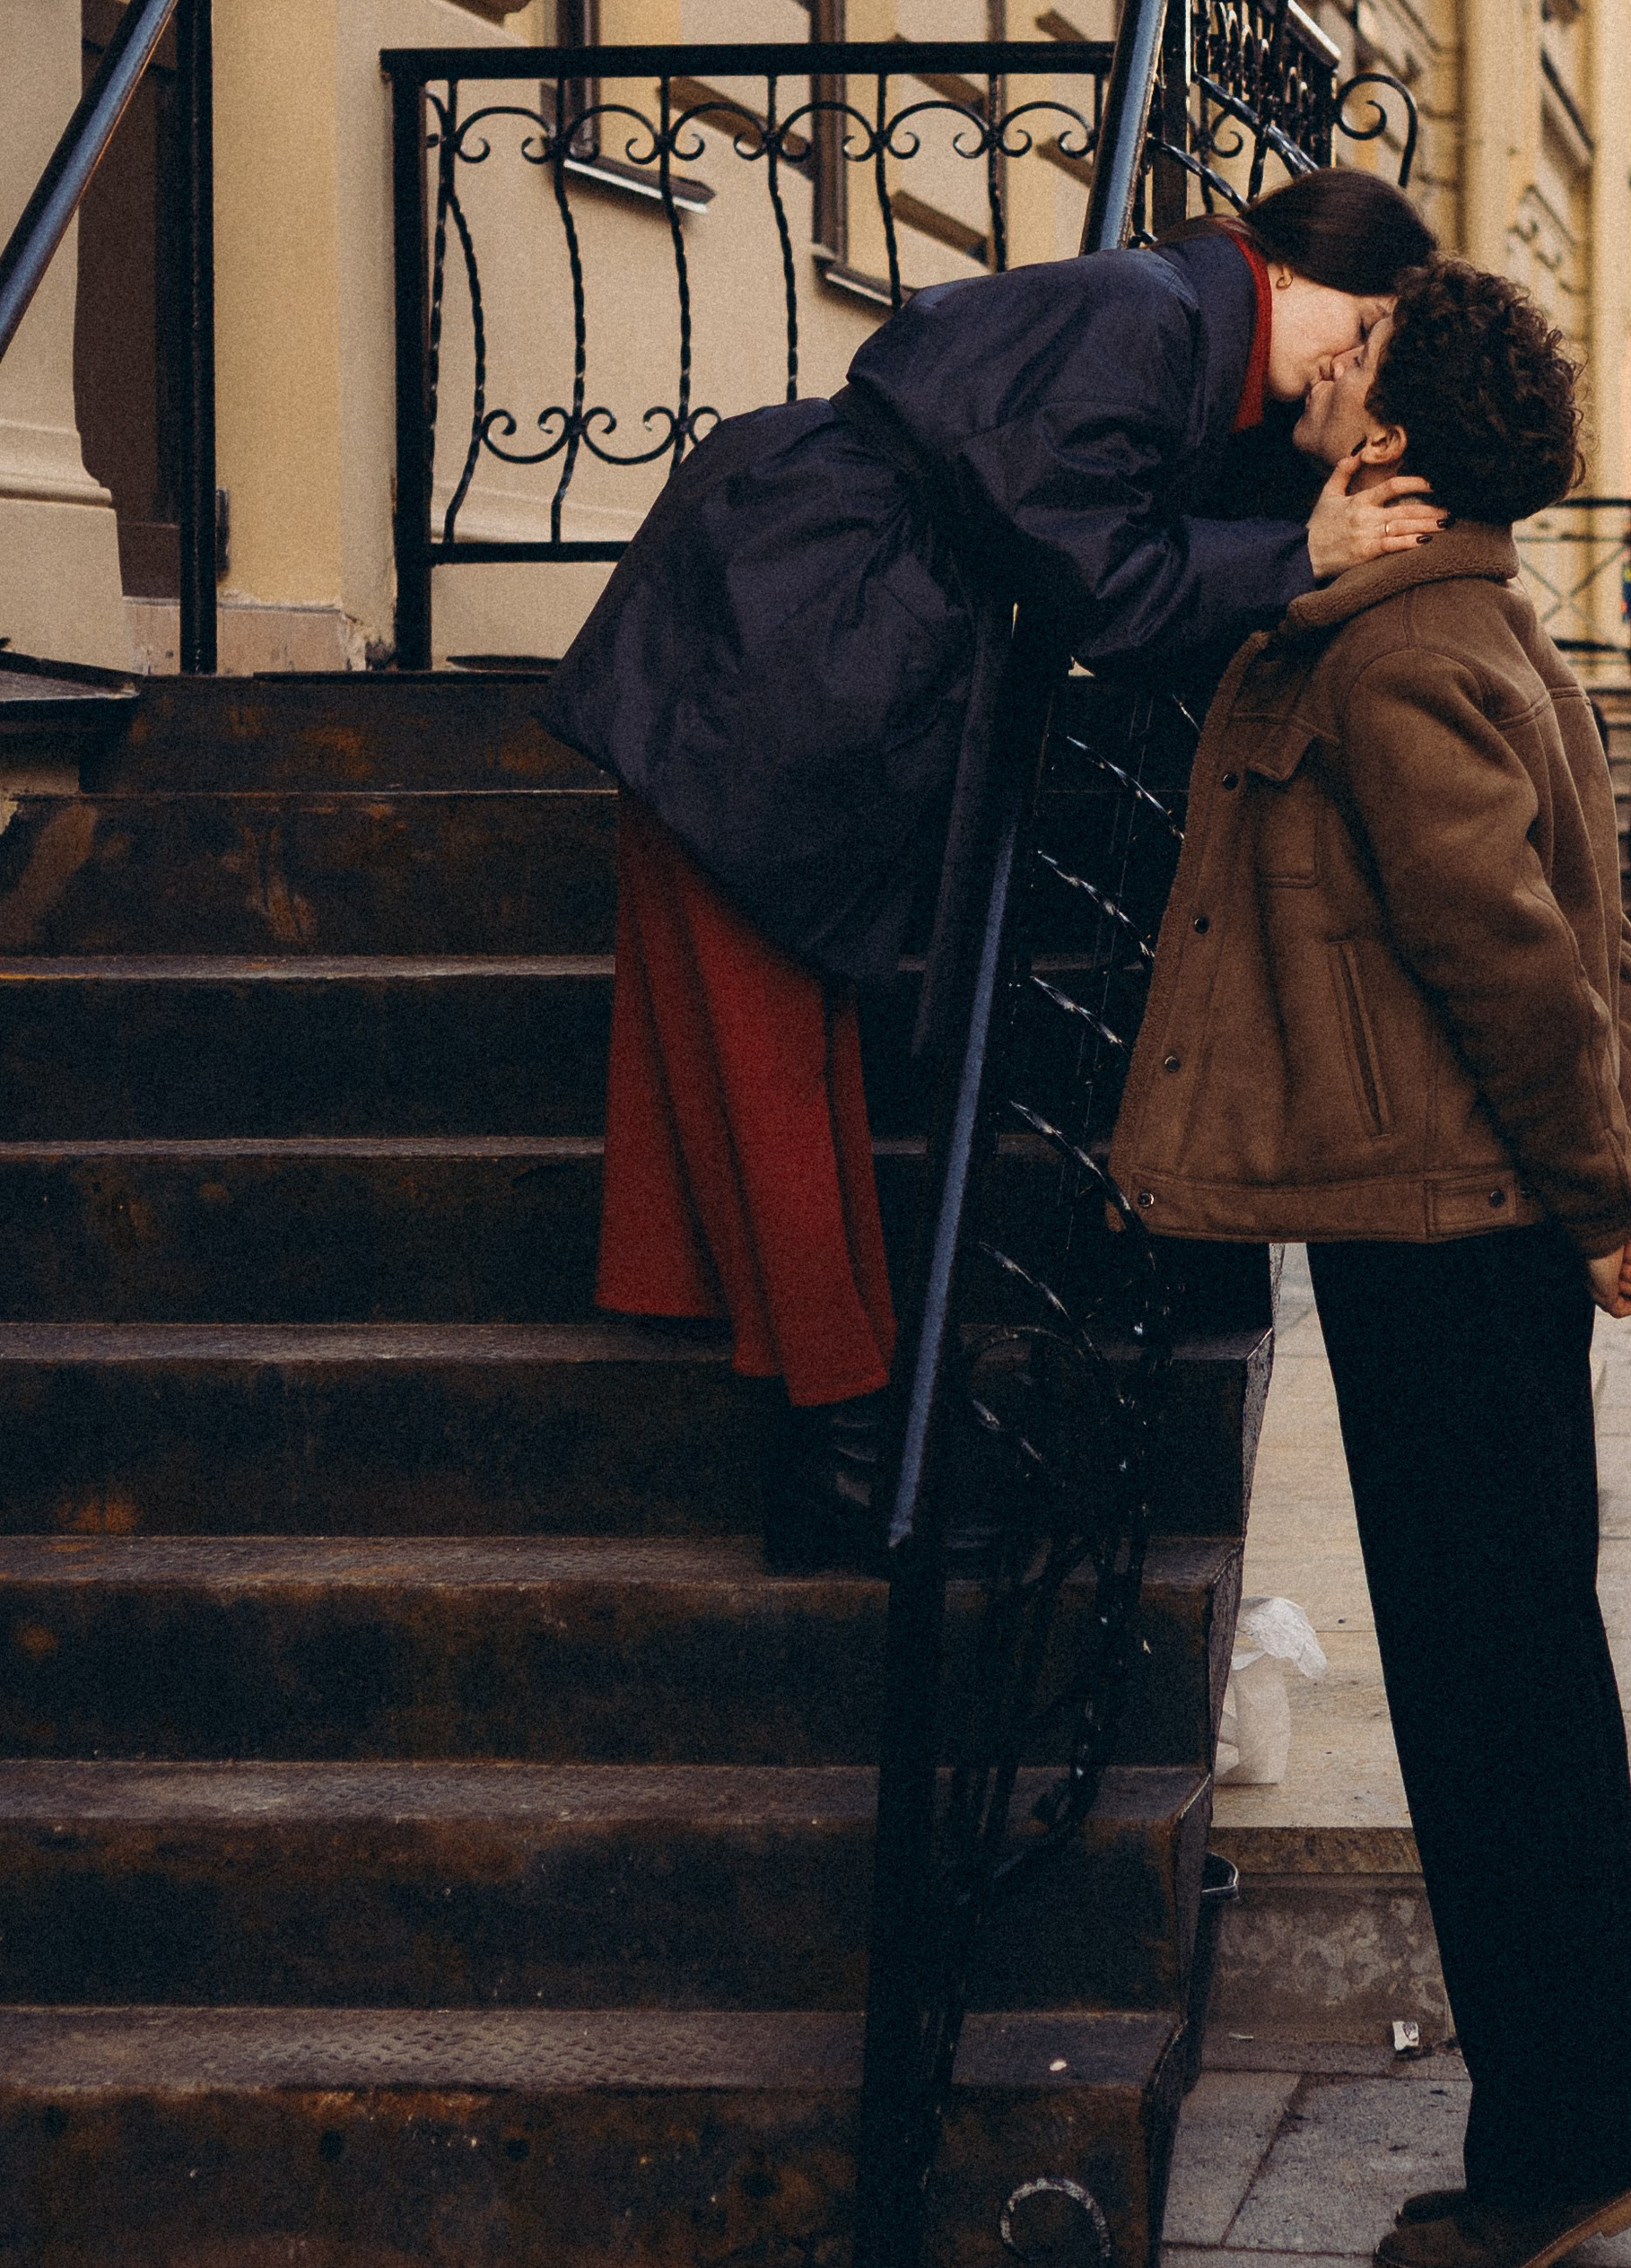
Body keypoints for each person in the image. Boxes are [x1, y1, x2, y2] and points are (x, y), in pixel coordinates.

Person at [541, 170, 1441, 1537]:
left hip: (803, 609)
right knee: (761, 1051)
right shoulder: (1150, 317)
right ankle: (843, 1452)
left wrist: (1311, 499)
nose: (1347, 364)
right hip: (787, 622)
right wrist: (1297, 550)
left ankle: (840, 1441)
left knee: (768, 1049)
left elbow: (1103, 529)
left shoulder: (1175, 329)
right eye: (1362, 325)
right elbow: (1104, 584)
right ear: (1289, 269)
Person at [1112, 257, 1631, 2268]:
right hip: (1463, 1220)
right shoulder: (1469, 621)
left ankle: (1557, 2137)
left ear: (1401, 431)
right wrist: (1608, 1180)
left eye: (1353, 356)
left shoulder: (1392, 658)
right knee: (1524, 1656)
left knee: (1484, 1685)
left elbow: (1519, 959)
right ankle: (1597, 2093)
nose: (1318, 365)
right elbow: (1592, 936)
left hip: (1441, 1231)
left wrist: (1599, 1193)